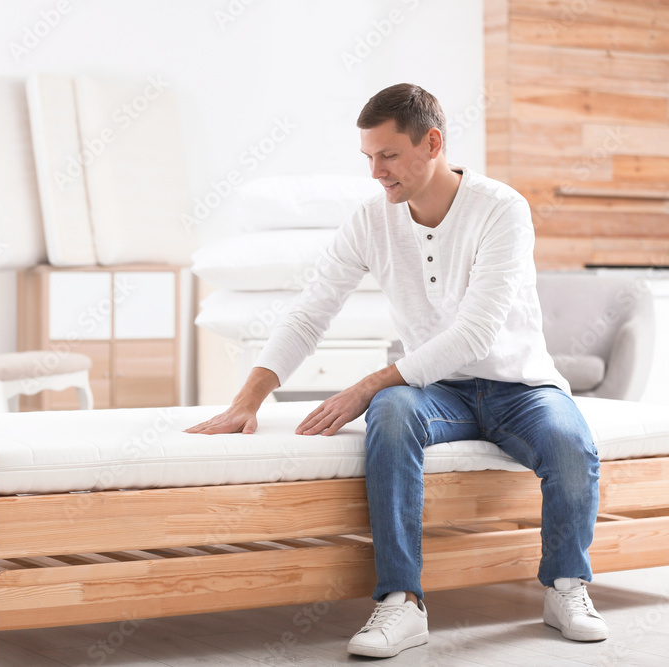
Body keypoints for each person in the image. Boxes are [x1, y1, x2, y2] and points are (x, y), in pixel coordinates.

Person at [185, 83, 607, 659]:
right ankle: (401, 603)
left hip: (520, 387)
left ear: (432, 142)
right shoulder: (371, 220)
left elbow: (477, 332)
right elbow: (311, 312)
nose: (376, 172)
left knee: (569, 443)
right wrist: (247, 400)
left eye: (387, 155)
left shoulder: (501, 209)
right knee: (390, 419)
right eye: (368, 158)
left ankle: (566, 588)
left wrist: (369, 382)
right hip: (434, 390)